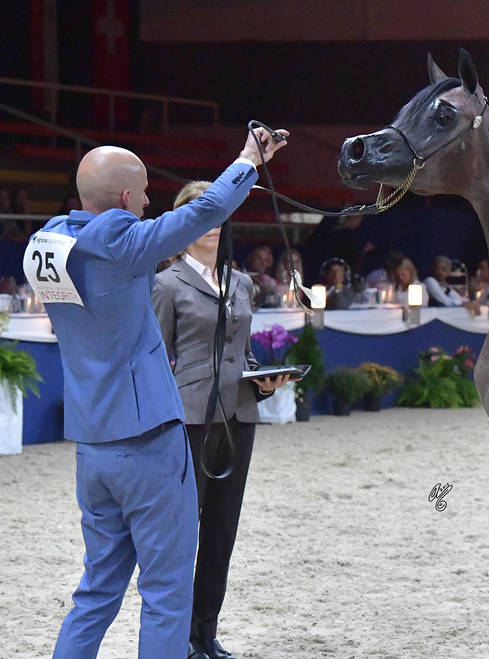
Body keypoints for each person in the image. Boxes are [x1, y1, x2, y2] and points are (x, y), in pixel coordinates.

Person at [23, 126, 288, 658]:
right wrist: (247, 161)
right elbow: (200, 213)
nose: (148, 203)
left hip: (92, 443)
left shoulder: (45, 245)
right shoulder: (120, 242)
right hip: (147, 440)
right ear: (125, 199)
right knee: (167, 592)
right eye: (144, 194)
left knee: (96, 592)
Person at [152, 180, 292, 659]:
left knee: (223, 529)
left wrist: (262, 380)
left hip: (239, 414)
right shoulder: (166, 284)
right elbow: (156, 359)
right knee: (185, 530)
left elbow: (245, 353)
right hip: (189, 420)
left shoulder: (243, 282)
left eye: (216, 214)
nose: (211, 224)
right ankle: (177, 636)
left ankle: (205, 634)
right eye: (199, 213)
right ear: (182, 223)